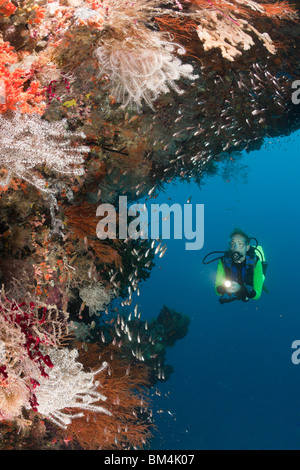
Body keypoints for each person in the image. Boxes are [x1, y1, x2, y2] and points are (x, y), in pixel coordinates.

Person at [215, 228, 265, 304]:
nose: (235, 247)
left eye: (240, 243)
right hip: (236, 282)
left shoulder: (255, 262)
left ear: (247, 247)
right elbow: (217, 290)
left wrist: (242, 289)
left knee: (262, 278)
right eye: (232, 244)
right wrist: (224, 288)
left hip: (249, 282)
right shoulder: (223, 261)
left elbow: (257, 295)